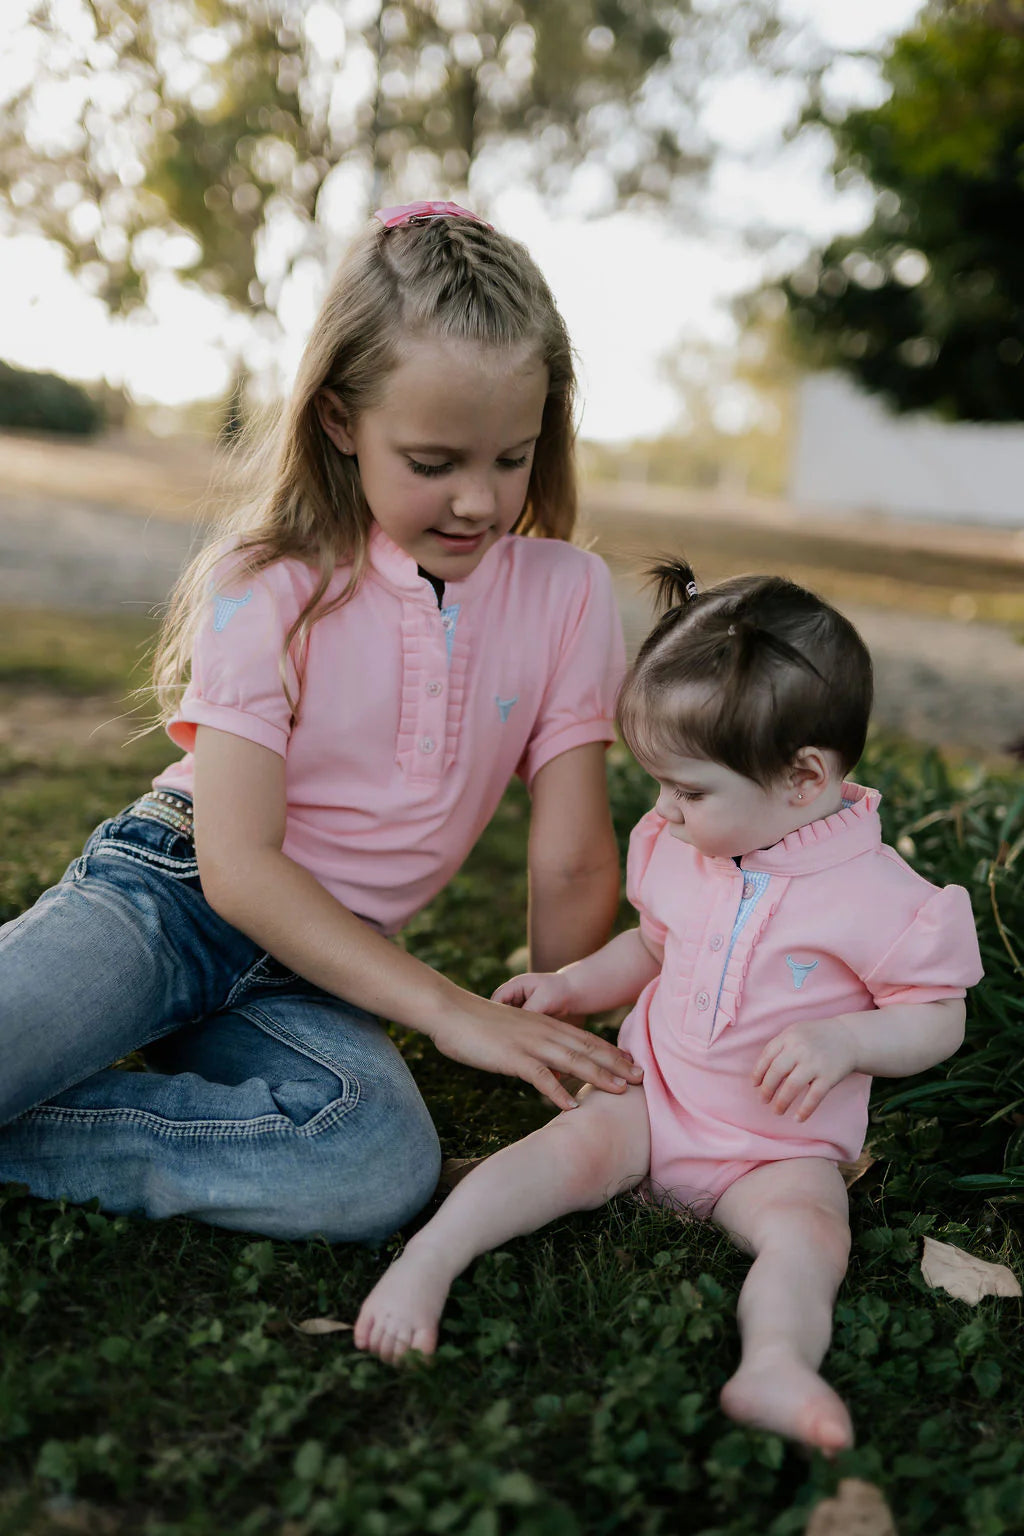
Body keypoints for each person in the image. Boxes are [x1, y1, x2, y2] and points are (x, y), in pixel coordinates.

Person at [0, 201, 643, 1243]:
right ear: (341, 421)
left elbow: (571, 858)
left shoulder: (568, 592)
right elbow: (239, 870)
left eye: (511, 458)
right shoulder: (270, 580)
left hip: (326, 968)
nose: (479, 502)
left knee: (371, 1159)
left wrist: (555, 1029)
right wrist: (451, 1010)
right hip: (171, 898)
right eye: (433, 462)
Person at [354, 558, 983, 1454]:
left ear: (804, 778)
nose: (664, 811)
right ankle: (432, 1258)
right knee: (565, 1150)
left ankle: (775, 1364)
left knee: (810, 1235)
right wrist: (573, 985)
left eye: (688, 790)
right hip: (654, 1098)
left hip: (777, 1146)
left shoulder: (884, 900)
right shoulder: (682, 848)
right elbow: (651, 946)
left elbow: (938, 1017)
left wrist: (847, 1039)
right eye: (660, 784)